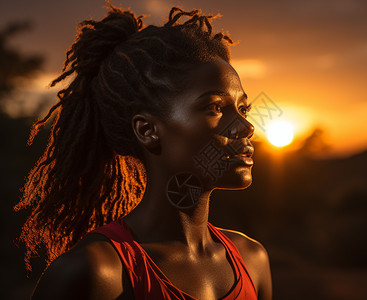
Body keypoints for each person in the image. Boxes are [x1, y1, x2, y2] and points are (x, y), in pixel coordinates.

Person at [15, 3, 272, 300]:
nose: (246, 127)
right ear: (148, 130)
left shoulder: (252, 261)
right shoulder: (98, 273)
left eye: (243, 108)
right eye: (215, 107)